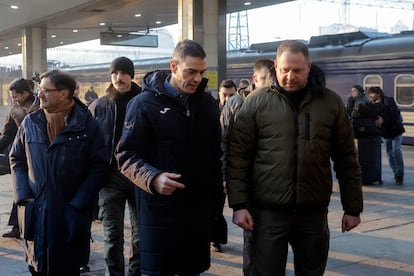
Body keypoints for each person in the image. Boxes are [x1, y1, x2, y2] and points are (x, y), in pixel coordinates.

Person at [226, 40, 363, 275]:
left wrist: (353, 208)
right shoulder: (256, 102)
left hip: (313, 214)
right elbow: (238, 157)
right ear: (275, 67)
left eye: (297, 70)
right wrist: (238, 205)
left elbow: (346, 158)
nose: (290, 76)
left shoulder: (330, 103)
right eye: (284, 69)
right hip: (267, 213)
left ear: (308, 67)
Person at [116, 39, 223, 276]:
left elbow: (216, 152)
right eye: (191, 71)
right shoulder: (143, 104)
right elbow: (125, 155)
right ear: (173, 66)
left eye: (201, 72)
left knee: (191, 270)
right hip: (158, 211)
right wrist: (153, 178)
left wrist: (218, 193)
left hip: (197, 210)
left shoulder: (207, 104)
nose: (197, 78)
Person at [10, 69, 108, 275]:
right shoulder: (31, 122)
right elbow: (17, 159)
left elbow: (99, 167)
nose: (39, 94)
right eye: (39, 89)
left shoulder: (88, 126)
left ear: (64, 93)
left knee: (67, 267)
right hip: (35, 212)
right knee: (36, 266)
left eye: (45, 90)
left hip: (70, 213)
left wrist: (78, 203)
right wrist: (24, 196)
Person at [88, 56, 141, 276]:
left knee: (141, 233)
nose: (118, 77)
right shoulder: (99, 105)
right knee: (112, 234)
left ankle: (136, 271)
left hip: (140, 175)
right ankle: (115, 273)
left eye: (123, 73)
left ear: (131, 74)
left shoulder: (145, 102)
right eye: (114, 73)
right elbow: (88, 141)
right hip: (110, 178)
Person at [1, 78, 40, 239]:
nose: (14, 99)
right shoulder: (14, 110)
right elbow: (7, 135)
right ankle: (17, 226)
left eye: (16, 96)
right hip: (22, 157)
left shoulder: (42, 104)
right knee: (20, 188)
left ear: (26, 93)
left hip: (41, 157)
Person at [366, 86, 405, 184]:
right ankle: (395, 172)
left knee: (396, 150)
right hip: (385, 133)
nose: (370, 96)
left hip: (396, 131)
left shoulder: (388, 101)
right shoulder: (371, 105)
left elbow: (395, 115)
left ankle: (400, 174)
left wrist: (383, 119)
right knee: (389, 154)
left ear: (378, 94)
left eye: (372, 94)